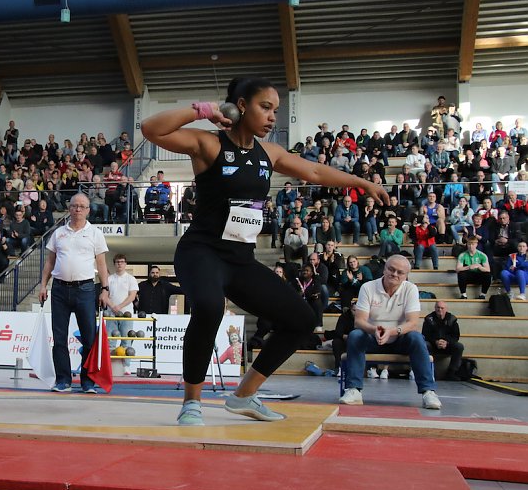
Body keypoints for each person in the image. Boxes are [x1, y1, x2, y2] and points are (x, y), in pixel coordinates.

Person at [141, 76, 389, 425]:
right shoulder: (209, 144)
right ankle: (191, 402)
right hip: (202, 251)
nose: (273, 116)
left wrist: (362, 182)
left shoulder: (269, 153)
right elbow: (151, 129)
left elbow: (315, 171)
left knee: (302, 319)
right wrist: (203, 111)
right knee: (210, 308)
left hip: (241, 259)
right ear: (241, 106)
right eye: (266, 107)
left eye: (276, 110)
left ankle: (244, 395)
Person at [338, 255, 441, 410]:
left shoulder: (411, 289)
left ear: (406, 275)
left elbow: (412, 323)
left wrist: (391, 332)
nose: (395, 274)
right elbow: (359, 321)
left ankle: (428, 392)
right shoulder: (368, 287)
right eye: (391, 269)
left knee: (416, 337)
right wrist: (376, 330)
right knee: (355, 335)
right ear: (384, 269)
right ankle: (354, 390)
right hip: (373, 338)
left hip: (399, 339)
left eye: (400, 272)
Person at [38, 192, 111, 394]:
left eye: (82, 206)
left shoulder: (95, 233)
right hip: (60, 290)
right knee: (59, 338)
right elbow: (50, 262)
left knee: (89, 338)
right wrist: (43, 285)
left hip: (86, 290)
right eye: (74, 206)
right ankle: (63, 380)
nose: (77, 209)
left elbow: (102, 264)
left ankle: (88, 382)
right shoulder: (58, 233)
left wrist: (105, 289)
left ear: (88, 210)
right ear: (69, 208)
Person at [106, 253, 139, 375]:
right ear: (114, 264)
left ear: (125, 264)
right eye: (117, 262)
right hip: (111, 314)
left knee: (126, 340)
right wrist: (113, 306)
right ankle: (110, 366)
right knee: (110, 342)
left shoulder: (131, 279)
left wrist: (119, 306)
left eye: (122, 262)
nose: (119, 264)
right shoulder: (109, 279)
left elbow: (132, 296)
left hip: (126, 314)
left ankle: (126, 366)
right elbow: (105, 296)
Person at [422, 301, 465, 381]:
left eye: (442, 308)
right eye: (438, 307)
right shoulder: (428, 319)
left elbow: (455, 336)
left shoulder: (452, 319)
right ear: (435, 308)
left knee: (459, 346)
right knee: (425, 345)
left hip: (447, 345)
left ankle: (452, 373)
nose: (440, 310)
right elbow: (425, 335)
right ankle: (431, 372)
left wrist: (446, 342)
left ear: (446, 309)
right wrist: (435, 341)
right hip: (433, 345)